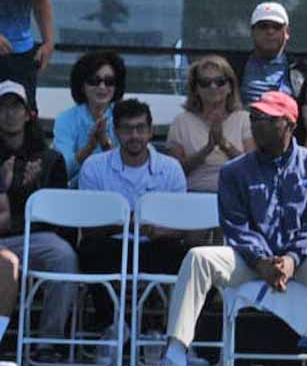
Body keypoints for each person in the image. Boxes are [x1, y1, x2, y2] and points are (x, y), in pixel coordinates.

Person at [129, 91, 307, 366]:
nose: (256, 124)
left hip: (305, 257)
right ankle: (175, 363)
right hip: (251, 260)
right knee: (198, 257)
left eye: (266, 119)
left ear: (288, 124)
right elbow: (235, 225)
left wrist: (291, 259)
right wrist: (261, 260)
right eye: (255, 118)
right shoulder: (234, 171)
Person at [0, 80, 78, 346]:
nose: (9, 114)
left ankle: (49, 342)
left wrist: (31, 186)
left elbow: (57, 215)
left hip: (35, 238)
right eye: (3, 107)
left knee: (64, 256)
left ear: (28, 112)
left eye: (15, 106)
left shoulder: (50, 159)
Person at [75, 98, 189, 273]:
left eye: (140, 128)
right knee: (91, 250)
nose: (135, 136)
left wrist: (157, 231)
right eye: (127, 129)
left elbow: (180, 226)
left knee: (183, 255)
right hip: (110, 246)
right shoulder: (93, 166)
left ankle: (157, 300)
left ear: (150, 131)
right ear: (116, 132)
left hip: (156, 246)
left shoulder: (171, 168)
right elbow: (89, 227)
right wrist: (129, 225)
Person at [167, 56, 253, 192]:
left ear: (230, 86)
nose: (213, 86)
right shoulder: (181, 122)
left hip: (237, 196)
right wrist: (207, 150)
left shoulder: (244, 119)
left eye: (220, 81)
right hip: (193, 195)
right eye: (205, 82)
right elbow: (173, 171)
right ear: (195, 89)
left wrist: (224, 144)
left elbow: (252, 168)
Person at [52, 50, 123, 174]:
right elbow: (62, 169)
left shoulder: (124, 116)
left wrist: (105, 144)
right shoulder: (66, 119)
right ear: (82, 86)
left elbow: (133, 166)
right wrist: (89, 148)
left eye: (109, 81)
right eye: (94, 81)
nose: (102, 87)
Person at [231, 1, 307, 105]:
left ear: (287, 33)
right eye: (263, 26)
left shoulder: (302, 71)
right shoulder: (233, 68)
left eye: (276, 27)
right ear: (253, 32)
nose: (270, 32)